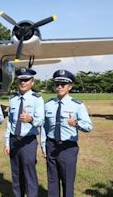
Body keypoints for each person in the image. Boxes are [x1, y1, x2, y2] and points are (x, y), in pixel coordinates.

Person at [41, 69, 93, 197]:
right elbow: (44, 126)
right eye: (57, 84)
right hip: (51, 145)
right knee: (52, 180)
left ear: (69, 87)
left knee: (68, 181)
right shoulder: (48, 105)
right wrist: (43, 145)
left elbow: (88, 126)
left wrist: (76, 124)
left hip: (68, 148)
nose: (59, 87)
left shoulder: (77, 105)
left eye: (63, 84)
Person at [3, 68, 44, 197]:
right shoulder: (13, 99)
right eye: (21, 80)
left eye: (26, 80)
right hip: (14, 139)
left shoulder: (37, 99)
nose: (23, 82)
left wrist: (30, 119)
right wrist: (7, 142)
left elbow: (41, 120)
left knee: (29, 173)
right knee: (16, 173)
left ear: (32, 82)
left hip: (28, 141)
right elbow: (10, 122)